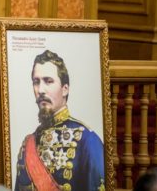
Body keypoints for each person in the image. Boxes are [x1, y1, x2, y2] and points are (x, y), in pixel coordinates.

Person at [14, 50, 105, 191]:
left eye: (48, 81)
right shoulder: (28, 145)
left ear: (65, 89)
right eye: (36, 82)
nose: (40, 90)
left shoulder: (87, 140)